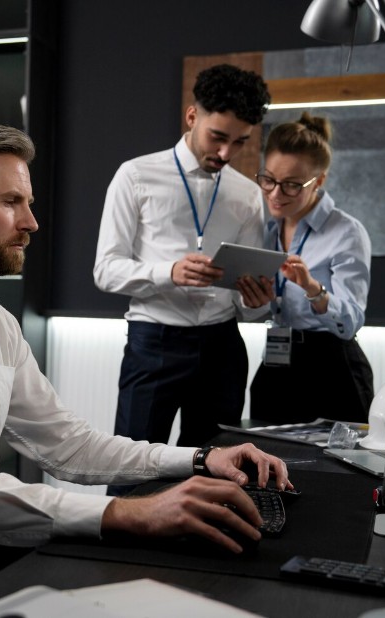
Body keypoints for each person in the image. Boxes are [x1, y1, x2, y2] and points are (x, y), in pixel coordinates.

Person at [0, 118, 291, 599]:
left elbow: (69, 445)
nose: (31, 222)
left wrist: (198, 458)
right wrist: (128, 513)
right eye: (11, 203)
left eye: (29, 204)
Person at [93, 64, 271, 495]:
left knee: (220, 475)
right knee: (132, 470)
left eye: (240, 142)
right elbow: (105, 270)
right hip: (154, 343)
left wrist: (258, 298)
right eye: (219, 137)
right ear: (192, 117)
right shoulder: (135, 176)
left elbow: (254, 305)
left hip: (222, 348)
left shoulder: (247, 194)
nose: (227, 152)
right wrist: (167, 273)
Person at [238, 112, 374, 424]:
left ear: (319, 181)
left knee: (334, 472)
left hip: (333, 367)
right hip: (276, 360)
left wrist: (313, 288)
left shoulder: (347, 232)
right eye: (269, 179)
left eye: (291, 185)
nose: (275, 194)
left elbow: (351, 321)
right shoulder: (267, 229)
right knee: (267, 465)